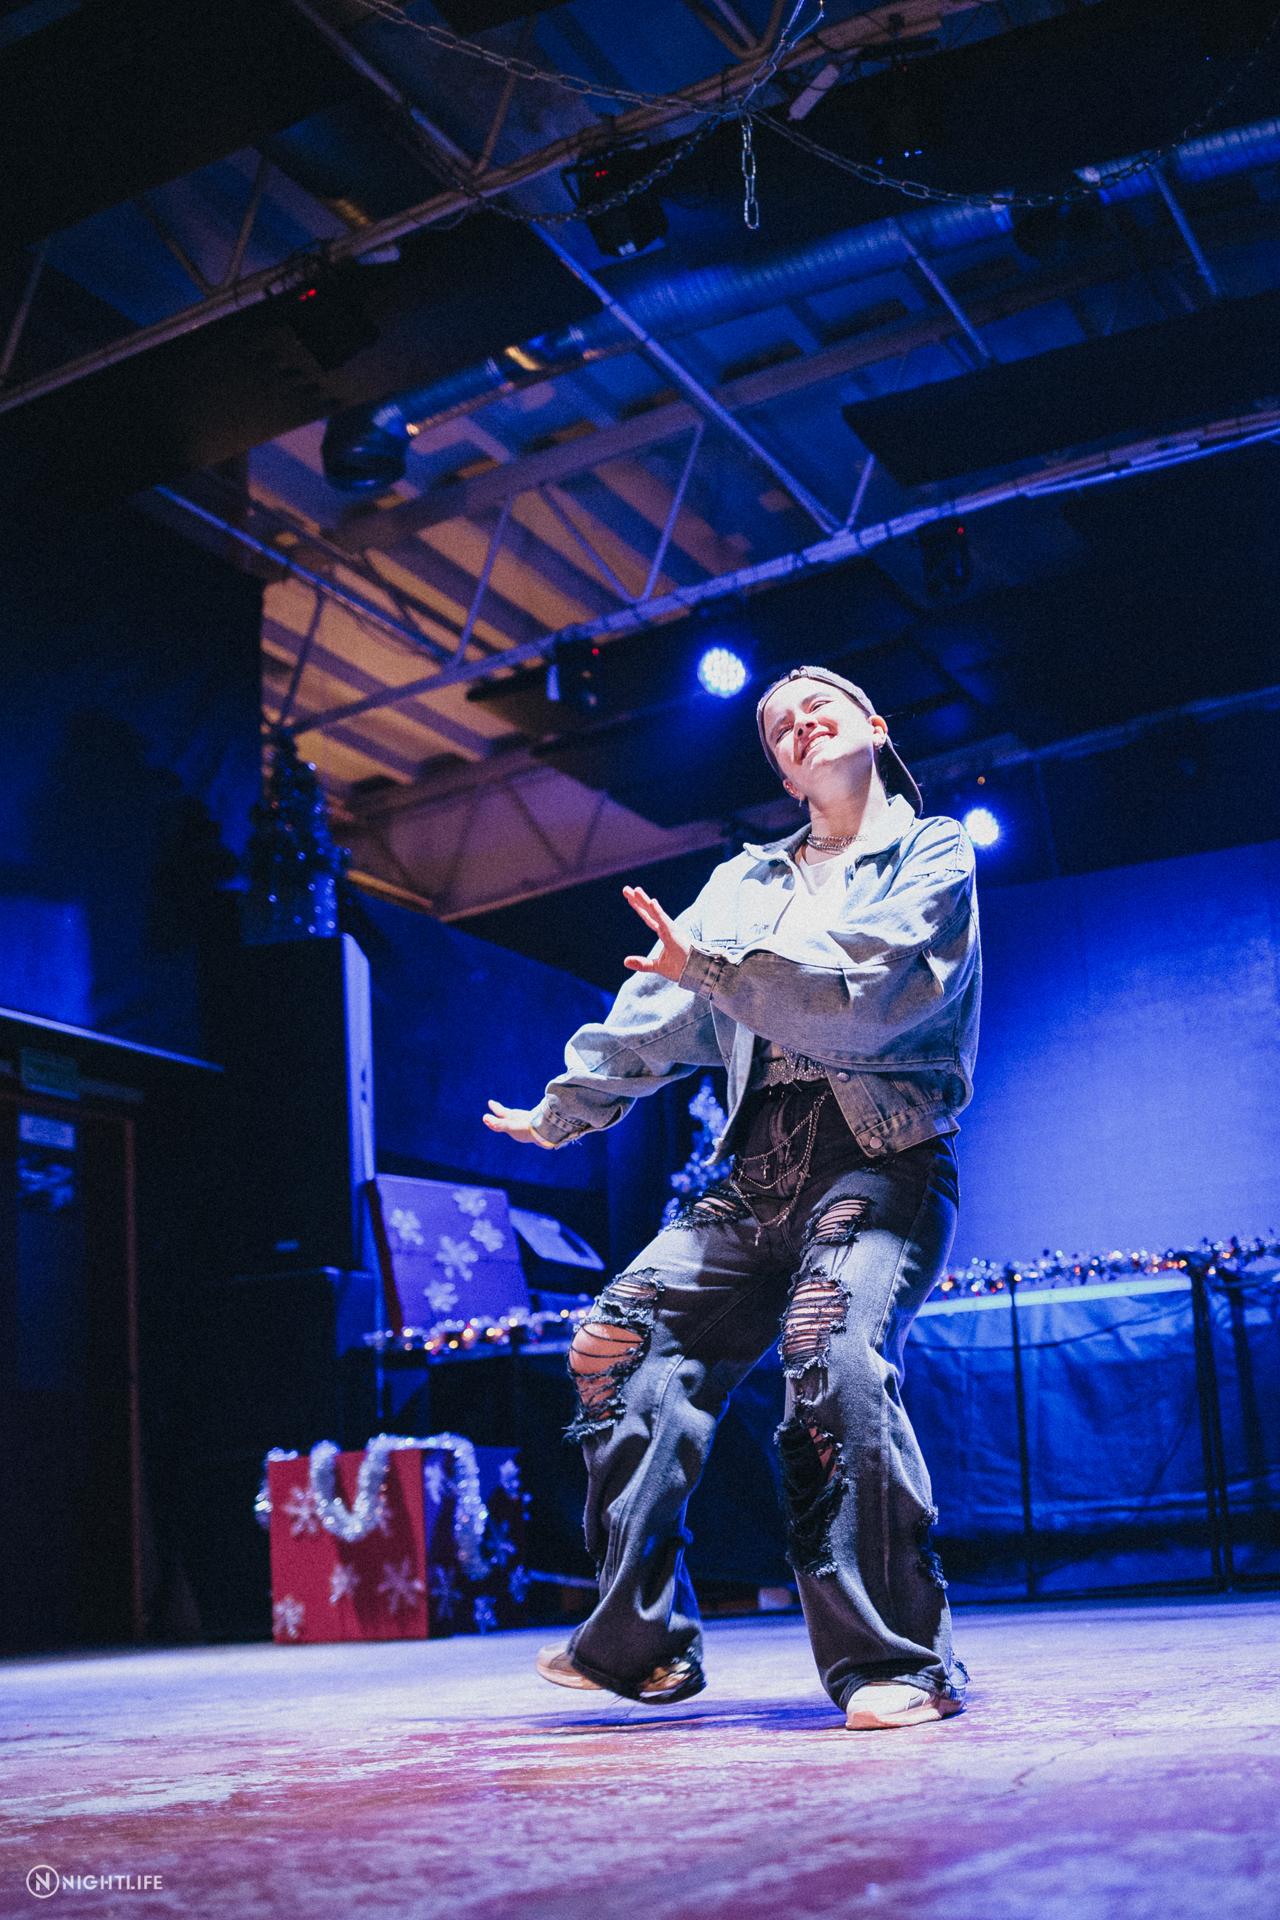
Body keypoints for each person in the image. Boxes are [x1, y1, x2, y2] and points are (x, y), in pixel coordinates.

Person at [484, 665, 981, 1731]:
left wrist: (715, 968)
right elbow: (660, 1008)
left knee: (828, 1352)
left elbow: (873, 992)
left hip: (880, 1155)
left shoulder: (932, 852)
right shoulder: (744, 882)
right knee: (615, 1344)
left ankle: (898, 1661)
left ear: (874, 725)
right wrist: (564, 1107)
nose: (799, 724)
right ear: (783, 776)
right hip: (758, 1167)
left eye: (820, 706)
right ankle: (643, 1646)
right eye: (778, 727)